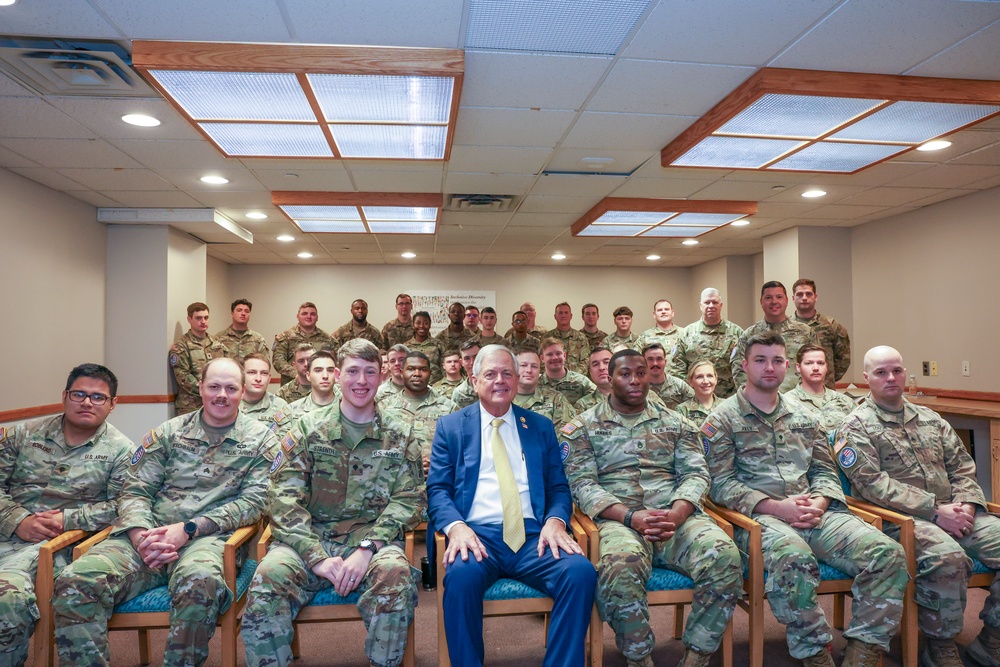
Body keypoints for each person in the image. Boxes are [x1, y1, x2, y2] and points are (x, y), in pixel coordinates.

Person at [54, 357, 277, 667]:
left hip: (208, 539)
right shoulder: (169, 432)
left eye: (230, 388)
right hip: (146, 536)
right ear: (200, 388)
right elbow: (134, 489)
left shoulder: (262, 439)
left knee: (201, 581)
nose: (221, 395)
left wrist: (187, 530)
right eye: (213, 386)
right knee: (77, 578)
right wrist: (139, 534)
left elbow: (255, 502)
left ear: (242, 392)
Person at [705, 331, 908, 667]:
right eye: (760, 360)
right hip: (759, 518)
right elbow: (719, 484)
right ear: (744, 366)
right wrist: (774, 507)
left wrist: (822, 502)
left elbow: (825, 471)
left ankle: (864, 651)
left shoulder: (804, 415)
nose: (769, 367)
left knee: (887, 553)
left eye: (776, 360)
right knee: (792, 557)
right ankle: (815, 653)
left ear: (787, 366)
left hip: (815, 512)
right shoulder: (722, 419)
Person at [242, 339, 424, 667]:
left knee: (397, 574)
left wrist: (367, 548)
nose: (361, 381)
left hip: (372, 541)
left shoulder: (399, 432)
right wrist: (317, 558)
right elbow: (283, 500)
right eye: (353, 371)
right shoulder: (307, 429)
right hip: (309, 540)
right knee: (267, 577)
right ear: (339, 375)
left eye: (370, 372)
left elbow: (409, 499)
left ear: (381, 376)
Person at [562, 350, 742, 667]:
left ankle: (698, 654)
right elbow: (582, 485)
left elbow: (696, 474)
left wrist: (677, 512)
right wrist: (631, 517)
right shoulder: (583, 428)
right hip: (619, 519)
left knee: (725, 557)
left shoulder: (677, 423)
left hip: (677, 518)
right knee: (619, 566)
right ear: (610, 377)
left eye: (641, 373)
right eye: (625, 373)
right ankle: (638, 656)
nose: (635, 380)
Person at [427, 344, 596, 667]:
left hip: (534, 537)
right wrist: (456, 527)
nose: (499, 380)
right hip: (477, 537)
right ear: (474, 380)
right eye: (490, 374)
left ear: (518, 380)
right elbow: (437, 490)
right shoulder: (451, 427)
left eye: (507, 373)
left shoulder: (540, 426)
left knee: (580, 573)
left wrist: (556, 521)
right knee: (461, 580)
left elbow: (558, 487)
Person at [835, 345, 1000, 667]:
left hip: (957, 511)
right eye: (881, 372)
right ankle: (939, 646)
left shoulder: (931, 419)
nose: (891, 378)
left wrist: (966, 504)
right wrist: (935, 511)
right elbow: (873, 485)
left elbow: (963, 467)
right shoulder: (855, 425)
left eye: (896, 370)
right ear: (867, 377)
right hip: (900, 519)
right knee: (947, 558)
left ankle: (992, 639)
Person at [0, 364, 133, 666]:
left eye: (98, 397)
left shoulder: (121, 451)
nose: (87, 402)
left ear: (113, 405)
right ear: (64, 396)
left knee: (6, 597)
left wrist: (68, 520)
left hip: (56, 549)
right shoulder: (23, 435)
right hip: (6, 531)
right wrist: (17, 519)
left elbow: (122, 506)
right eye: (79, 394)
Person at [381, 350, 459, 475]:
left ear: (430, 374)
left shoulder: (449, 408)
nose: (417, 374)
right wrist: (408, 465)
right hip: (396, 484)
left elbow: (459, 449)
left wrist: (438, 465)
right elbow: (377, 450)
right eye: (411, 369)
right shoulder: (384, 408)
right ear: (402, 373)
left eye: (423, 369)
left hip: (437, 482)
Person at [731, 281, 818, 392]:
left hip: (800, 401)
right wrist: (754, 395)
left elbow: (816, 366)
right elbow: (739, 371)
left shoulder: (806, 332)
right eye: (768, 298)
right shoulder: (749, 335)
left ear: (786, 301)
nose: (774, 301)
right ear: (761, 302)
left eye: (779, 297)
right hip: (760, 401)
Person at [670, 288, 743, 398]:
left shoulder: (737, 333)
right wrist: (691, 393)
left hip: (728, 399)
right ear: (700, 305)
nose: (711, 306)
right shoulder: (686, 334)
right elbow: (677, 369)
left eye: (715, 302)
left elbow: (744, 367)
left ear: (721, 305)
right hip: (694, 400)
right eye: (707, 302)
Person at [792, 279, 852, 389]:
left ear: (815, 297)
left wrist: (827, 376)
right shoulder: (787, 327)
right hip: (792, 390)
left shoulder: (831, 325)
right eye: (799, 294)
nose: (804, 298)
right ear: (793, 298)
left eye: (808, 294)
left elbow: (844, 359)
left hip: (824, 389)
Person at [783, 344, 856, 433]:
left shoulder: (845, 402)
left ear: (826, 367)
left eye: (820, 363)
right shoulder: (787, 403)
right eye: (809, 363)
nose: (816, 368)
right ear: (798, 367)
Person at [168, 301, 226, 415]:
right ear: (189, 319)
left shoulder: (217, 343)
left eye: (206, 317)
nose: (203, 321)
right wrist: (207, 390)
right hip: (191, 406)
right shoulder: (181, 346)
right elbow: (183, 376)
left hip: (217, 402)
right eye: (198, 318)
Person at [514, 349, 576, 435]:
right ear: (513, 369)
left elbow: (567, 434)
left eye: (534, 366)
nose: (529, 370)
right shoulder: (502, 399)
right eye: (523, 365)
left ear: (540, 370)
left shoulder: (556, 399)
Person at [272, 302, 335, 385]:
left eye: (312, 314)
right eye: (304, 314)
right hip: (292, 388)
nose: (308, 317)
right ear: (298, 316)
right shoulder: (285, 338)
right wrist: (296, 373)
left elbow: (335, 362)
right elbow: (278, 361)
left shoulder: (328, 339)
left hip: (320, 385)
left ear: (317, 317)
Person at [240, 353, 293, 438]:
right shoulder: (229, 403)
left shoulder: (280, 406)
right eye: (252, 372)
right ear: (241, 376)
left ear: (269, 378)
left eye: (264, 373)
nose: (258, 378)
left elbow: (283, 442)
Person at [539, 338, 597, 406]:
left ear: (564, 356)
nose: (555, 357)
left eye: (558, 353)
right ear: (542, 358)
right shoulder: (536, 385)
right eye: (549, 354)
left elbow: (599, 402)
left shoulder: (582, 382)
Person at [214, 298, 270, 363]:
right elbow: (214, 364)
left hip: (250, 372)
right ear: (232, 314)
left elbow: (265, 363)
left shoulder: (258, 339)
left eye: (247, 311)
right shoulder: (219, 338)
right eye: (239, 310)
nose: (243, 313)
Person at [643, 343, 694, 410]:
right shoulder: (638, 387)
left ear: (665, 362)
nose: (655, 363)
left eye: (659, 359)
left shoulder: (680, 386)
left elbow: (695, 404)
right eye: (650, 359)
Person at [289, 350, 339, 416]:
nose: (325, 376)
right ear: (308, 376)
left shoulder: (350, 407)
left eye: (330, 370)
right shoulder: (292, 411)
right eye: (318, 371)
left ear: (336, 374)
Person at [637, 299, 684, 367]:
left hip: (680, 377)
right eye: (660, 310)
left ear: (672, 313)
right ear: (654, 314)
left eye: (666, 309)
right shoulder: (645, 336)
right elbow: (637, 361)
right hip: (653, 376)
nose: (663, 312)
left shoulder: (684, 333)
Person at [547, 302, 591, 374]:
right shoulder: (547, 338)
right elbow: (543, 361)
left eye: (566, 312)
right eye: (560, 313)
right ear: (555, 316)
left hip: (576, 380)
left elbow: (586, 360)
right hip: (553, 380)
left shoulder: (581, 337)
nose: (563, 315)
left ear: (571, 316)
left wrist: (573, 376)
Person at [404, 312, 445, 384]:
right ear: (413, 325)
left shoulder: (438, 345)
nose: (422, 326)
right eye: (418, 323)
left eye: (425, 323)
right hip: (413, 386)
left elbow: (445, 368)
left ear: (430, 325)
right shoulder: (406, 347)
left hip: (435, 386)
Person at [451, 339, 482, 409]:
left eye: (476, 357)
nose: (472, 362)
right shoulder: (459, 393)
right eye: (467, 358)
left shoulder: (494, 386)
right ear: (461, 363)